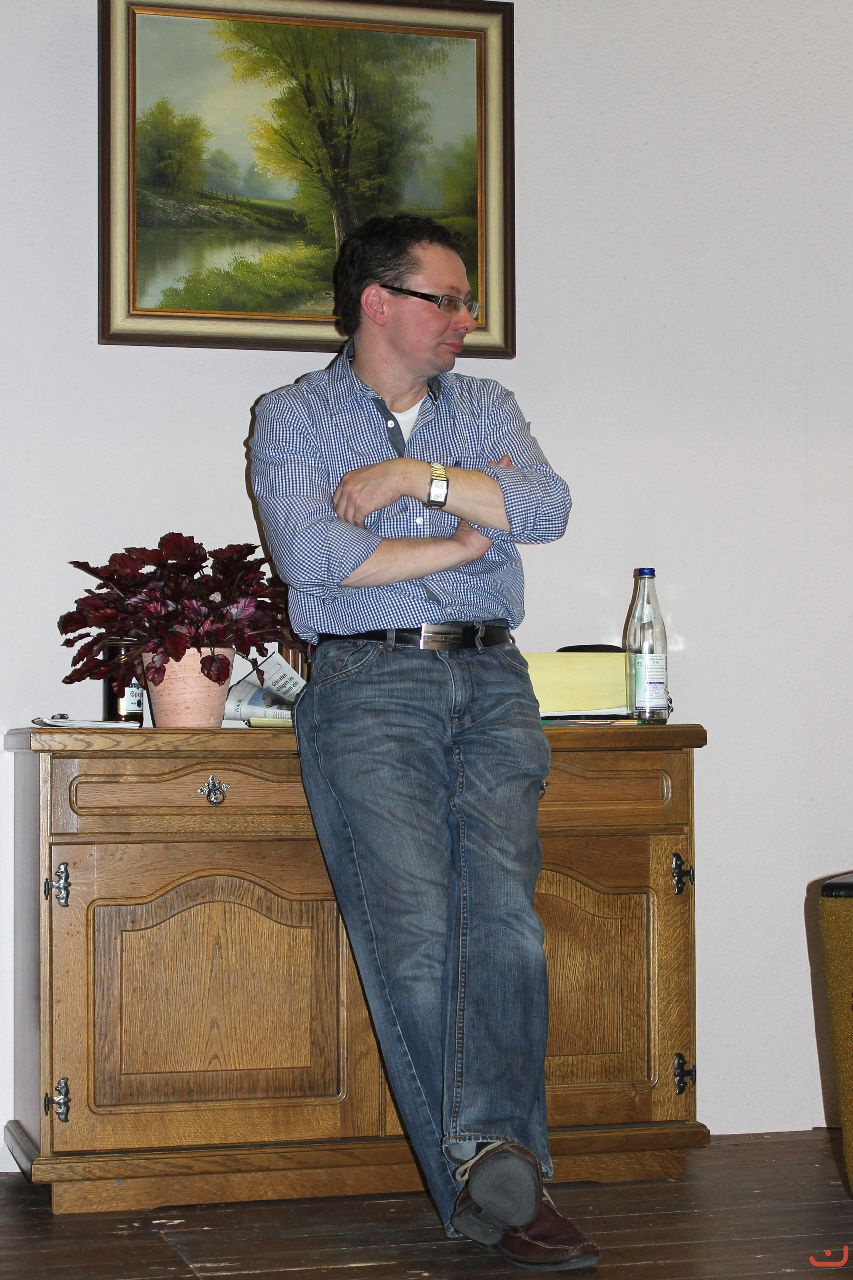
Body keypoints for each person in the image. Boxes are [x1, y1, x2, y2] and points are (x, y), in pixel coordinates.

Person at [251, 214, 600, 1272]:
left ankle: (493, 1167)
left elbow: (544, 508)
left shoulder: (485, 406)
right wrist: (461, 543)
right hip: (369, 685)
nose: (465, 319)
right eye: (445, 299)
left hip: (493, 680)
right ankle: (501, 1171)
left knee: (507, 928)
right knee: (413, 935)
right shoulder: (294, 415)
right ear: (377, 300)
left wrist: (413, 481)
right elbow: (314, 562)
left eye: (465, 302)